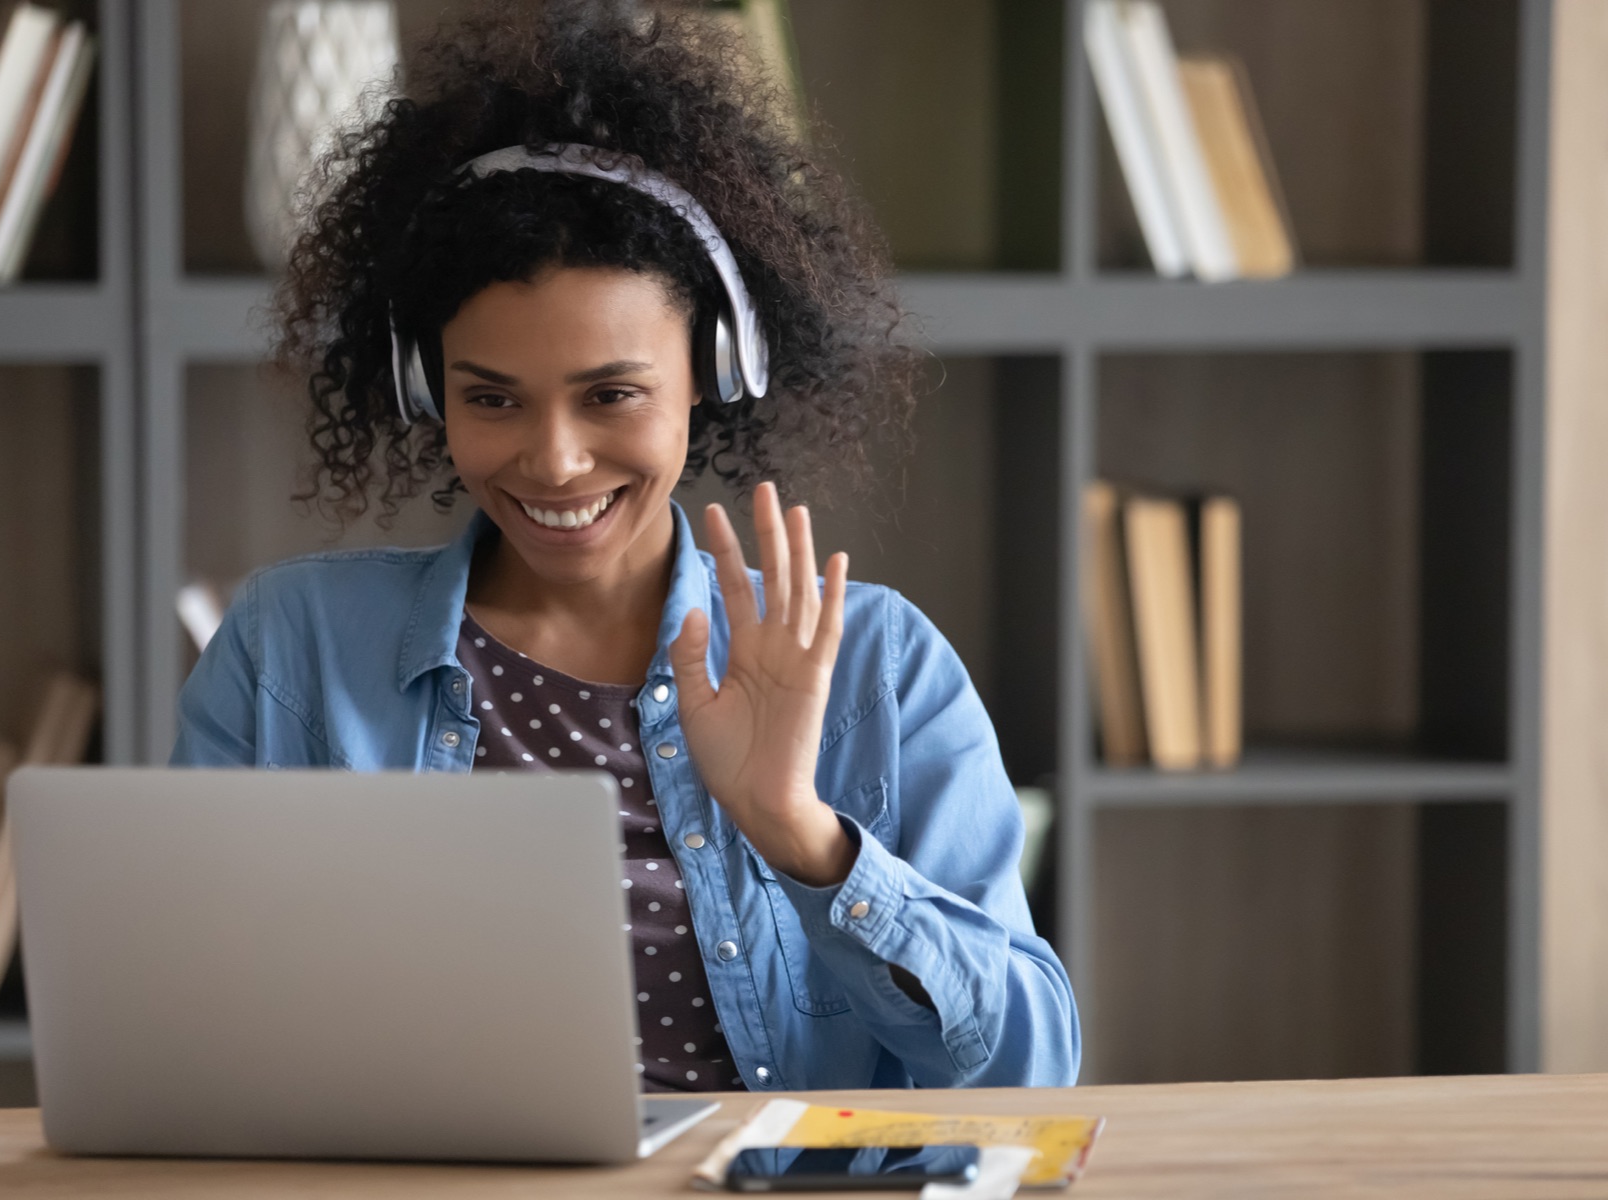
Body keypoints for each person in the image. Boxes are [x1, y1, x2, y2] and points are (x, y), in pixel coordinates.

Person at [173, 0, 1079, 1092]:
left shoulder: (881, 670)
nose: (555, 461)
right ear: (425, 387)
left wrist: (801, 836)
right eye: (491, 398)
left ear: (713, 370)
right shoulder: (290, 654)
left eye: (611, 394)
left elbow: (1030, 1067)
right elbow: (184, 1025)